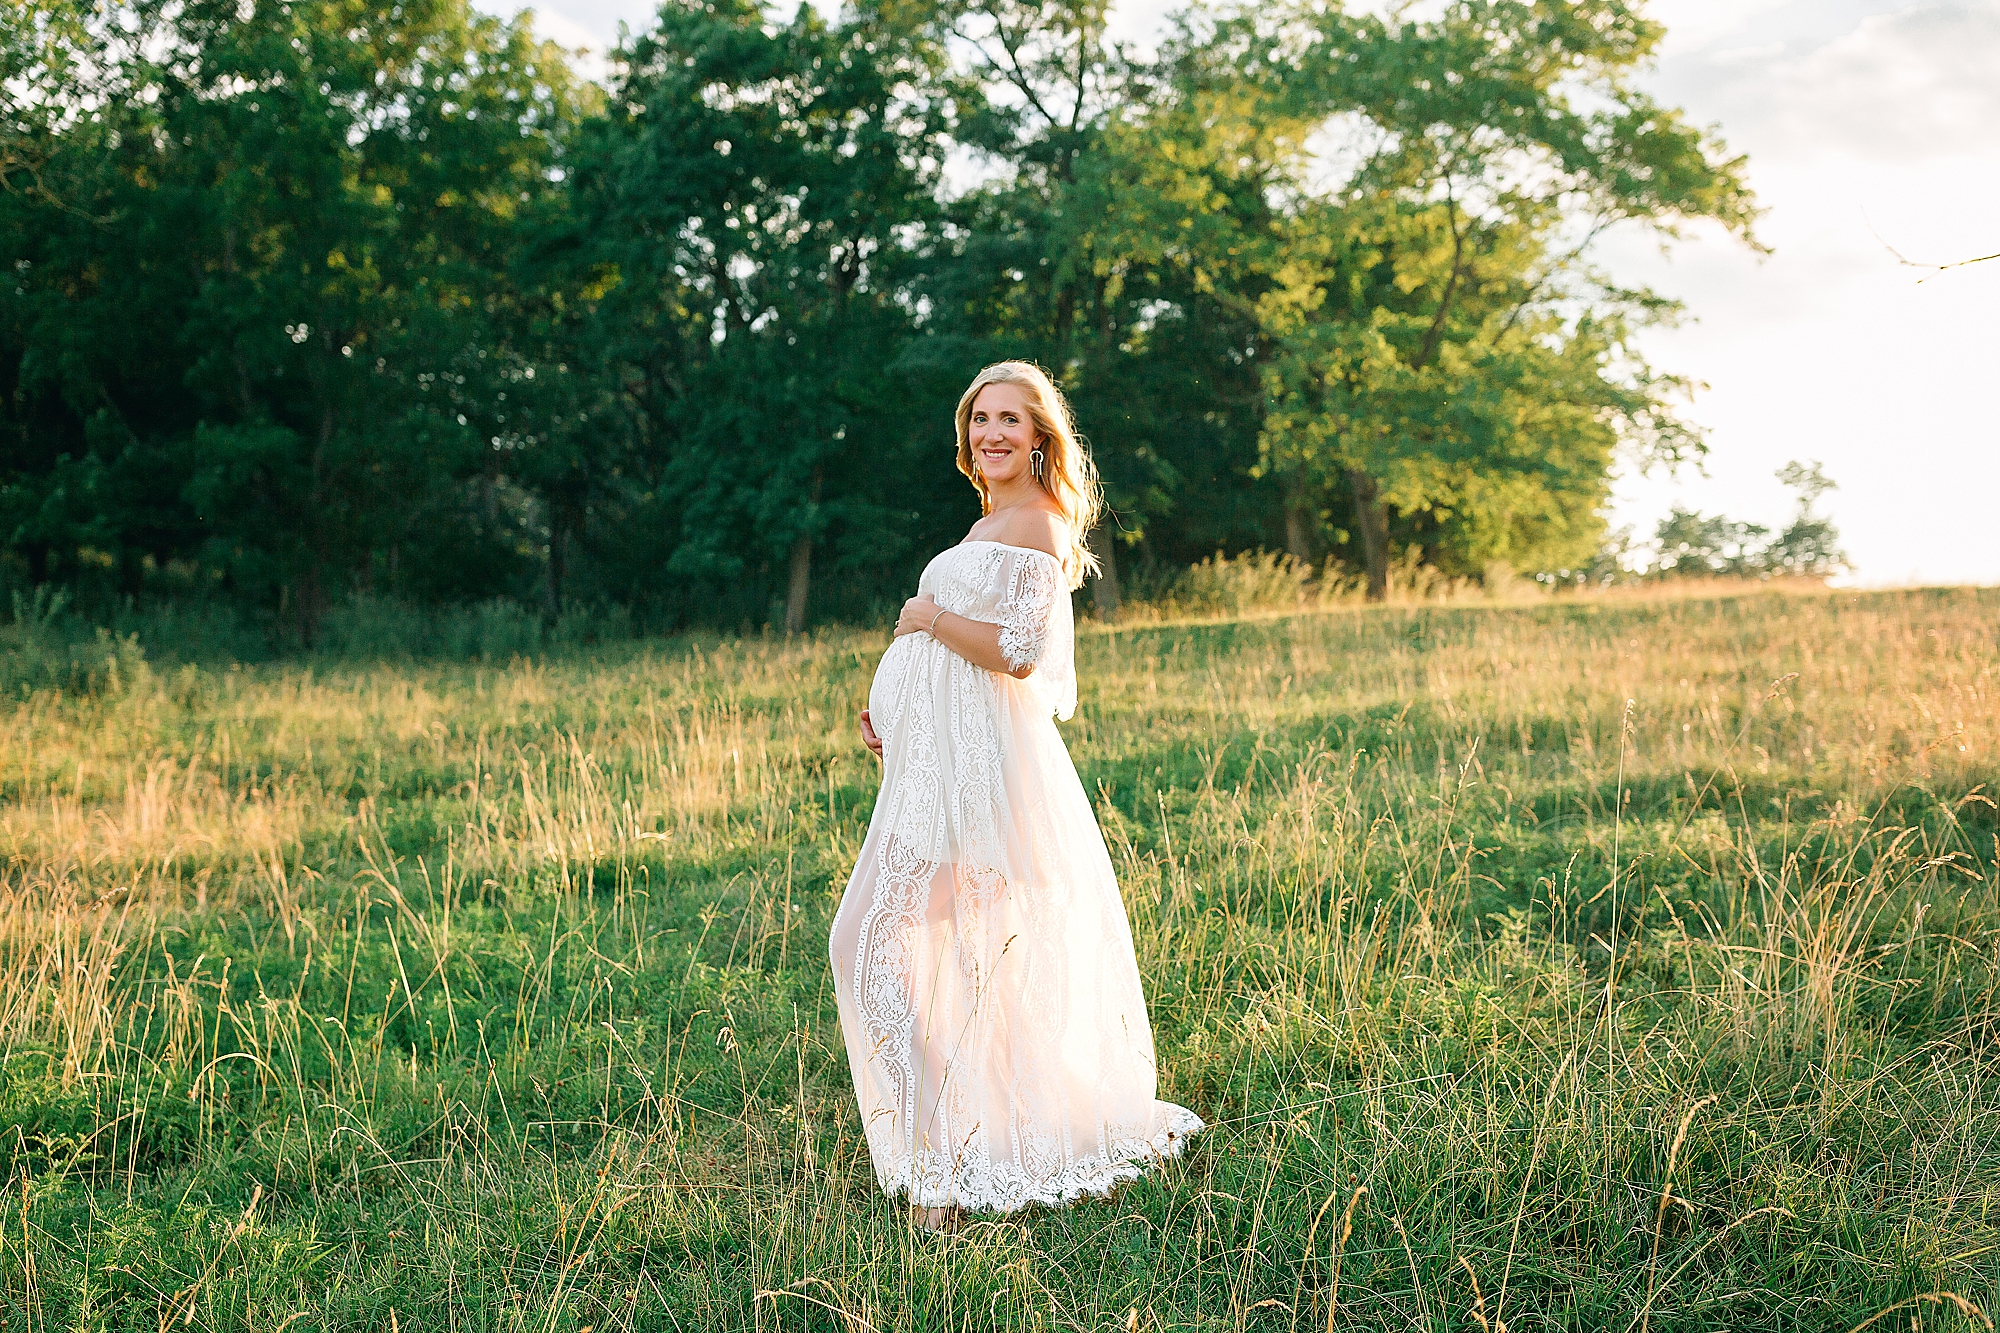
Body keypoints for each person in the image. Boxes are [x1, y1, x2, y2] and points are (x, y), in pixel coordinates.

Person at [828, 360, 1202, 1231]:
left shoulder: (1038, 521)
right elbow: (965, 665)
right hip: (935, 770)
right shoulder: (987, 521)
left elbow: (1021, 649)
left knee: (869, 941)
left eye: (1010, 419)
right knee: (936, 958)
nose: (991, 432)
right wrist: (898, 705)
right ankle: (960, 1147)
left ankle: (945, 1167)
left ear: (1040, 437)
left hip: (985, 783)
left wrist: (923, 623)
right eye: (980, 418)